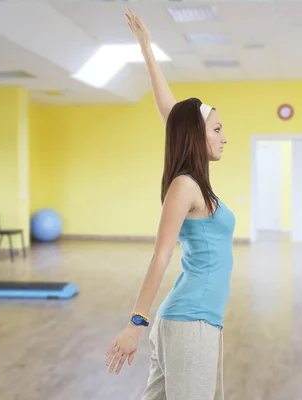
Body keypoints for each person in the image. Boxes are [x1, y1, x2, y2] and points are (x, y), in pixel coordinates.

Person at [105, 8, 235, 400]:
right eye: (217, 129)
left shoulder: (194, 181)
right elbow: (160, 256)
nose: (224, 137)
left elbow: (171, 113)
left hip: (188, 321)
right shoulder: (185, 186)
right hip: (189, 324)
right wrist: (135, 323)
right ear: (197, 136)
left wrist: (147, 50)